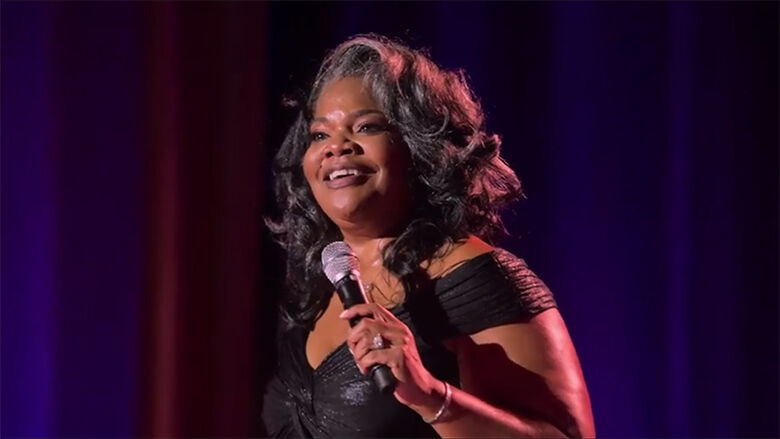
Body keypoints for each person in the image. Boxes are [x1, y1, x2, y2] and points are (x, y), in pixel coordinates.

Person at [262, 34, 595, 438]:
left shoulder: (475, 279)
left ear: (417, 145)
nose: (337, 148)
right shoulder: (315, 288)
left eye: (366, 126)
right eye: (319, 135)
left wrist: (430, 396)